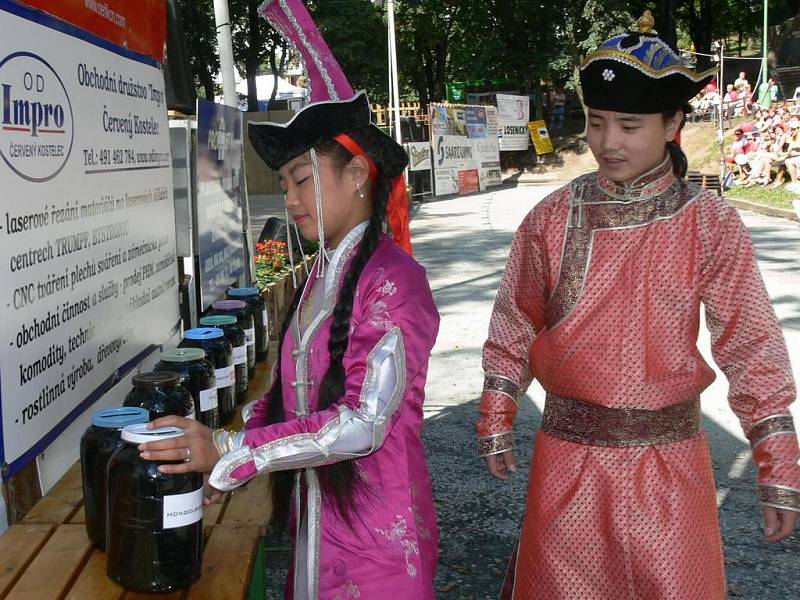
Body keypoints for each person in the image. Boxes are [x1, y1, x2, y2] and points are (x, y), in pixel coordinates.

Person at [477, 21, 799, 600]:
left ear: (673, 124)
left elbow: (751, 344)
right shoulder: (550, 218)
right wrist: (498, 411)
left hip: (670, 471)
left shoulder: (710, 223)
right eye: (596, 122)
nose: (608, 143)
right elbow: (515, 318)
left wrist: (777, 463)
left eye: (629, 126)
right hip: (566, 464)